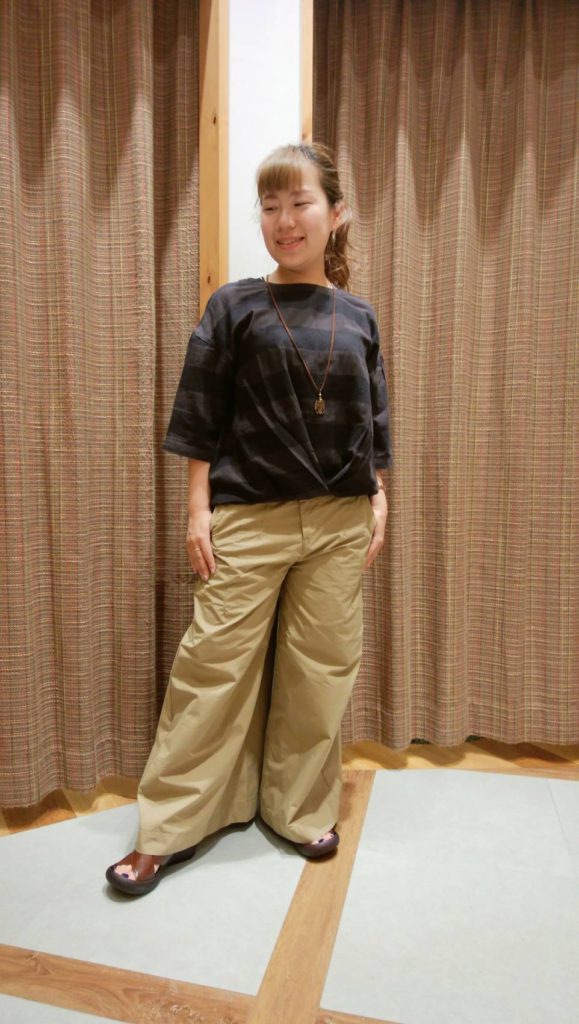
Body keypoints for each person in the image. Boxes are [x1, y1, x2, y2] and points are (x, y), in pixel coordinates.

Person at [105, 141, 393, 896]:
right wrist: (197, 510)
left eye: (299, 203)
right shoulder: (233, 305)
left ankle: (298, 810)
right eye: (270, 206)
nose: (283, 220)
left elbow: (373, 416)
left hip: (338, 521)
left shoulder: (359, 315)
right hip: (248, 519)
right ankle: (165, 830)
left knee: (320, 672)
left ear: (336, 214)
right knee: (210, 672)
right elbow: (200, 412)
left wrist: (378, 494)